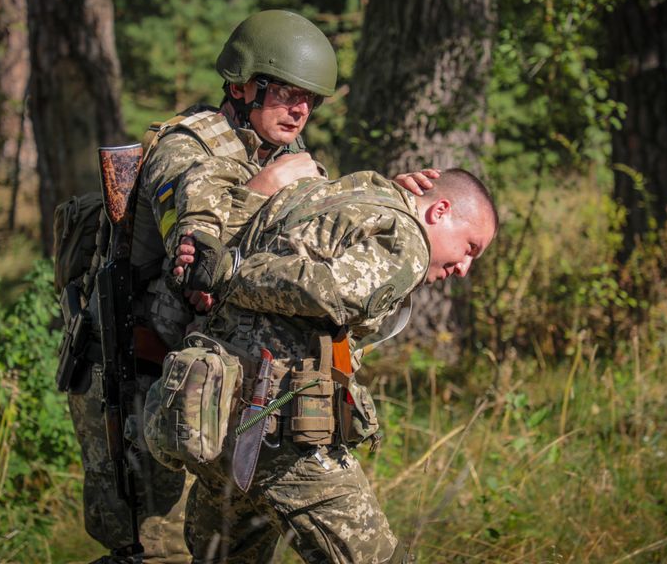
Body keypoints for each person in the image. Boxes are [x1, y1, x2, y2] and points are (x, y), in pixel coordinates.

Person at [67, 9, 437, 563]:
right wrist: (263, 191)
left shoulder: (283, 157)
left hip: (205, 375)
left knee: (218, 548)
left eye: (309, 99)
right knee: (152, 548)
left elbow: (311, 235)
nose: (300, 109)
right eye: (286, 92)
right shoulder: (186, 147)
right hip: (134, 367)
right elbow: (197, 258)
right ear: (242, 85)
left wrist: (387, 199)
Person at [168, 168, 498, 564]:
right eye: (470, 248)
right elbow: (330, 292)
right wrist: (233, 271)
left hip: (216, 414)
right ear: (439, 210)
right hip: (283, 431)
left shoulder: (342, 194)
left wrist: (228, 268)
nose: (464, 268)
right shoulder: (410, 242)